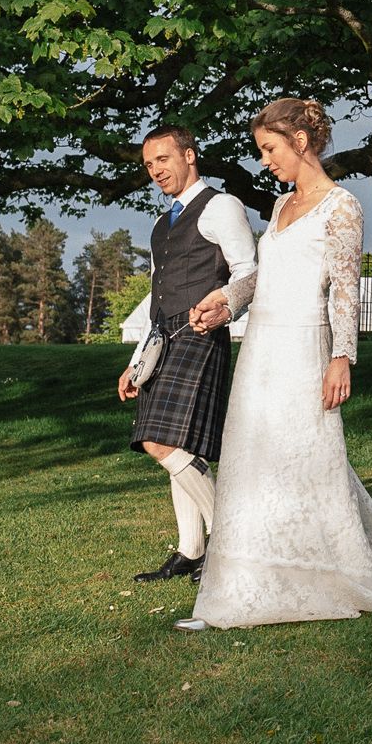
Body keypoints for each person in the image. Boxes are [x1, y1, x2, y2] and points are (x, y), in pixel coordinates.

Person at [175, 98, 372, 630]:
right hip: (260, 353)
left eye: (270, 149)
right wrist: (223, 300)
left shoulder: (342, 206)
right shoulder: (278, 207)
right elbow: (261, 279)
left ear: (300, 142)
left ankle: (322, 573)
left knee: (307, 459)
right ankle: (237, 589)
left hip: (304, 349)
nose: (265, 161)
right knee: (251, 464)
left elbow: (344, 290)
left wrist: (342, 357)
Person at [118, 125, 257, 584]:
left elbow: (248, 271)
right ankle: (190, 551)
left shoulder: (221, 206)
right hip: (162, 340)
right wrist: (137, 362)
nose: (156, 171)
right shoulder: (161, 224)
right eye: (149, 165)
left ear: (189, 155)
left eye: (162, 159)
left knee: (162, 443)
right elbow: (157, 300)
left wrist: (223, 308)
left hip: (200, 333)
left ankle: (229, 539)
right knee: (175, 447)